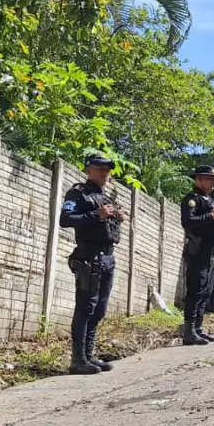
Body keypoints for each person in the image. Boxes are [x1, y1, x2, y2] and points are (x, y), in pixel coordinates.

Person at [60, 154, 126, 374]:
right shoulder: (78, 193)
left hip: (107, 257)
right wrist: (95, 215)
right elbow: (65, 219)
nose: (105, 173)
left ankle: (89, 355)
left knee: (99, 309)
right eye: (100, 169)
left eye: (107, 170)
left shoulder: (105, 197)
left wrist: (116, 216)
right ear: (88, 170)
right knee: (86, 308)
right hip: (89, 256)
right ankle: (78, 359)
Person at [179, 165, 214, 346]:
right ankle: (189, 331)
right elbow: (188, 222)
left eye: (213, 178)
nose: (213, 182)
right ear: (198, 179)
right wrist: (211, 217)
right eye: (208, 178)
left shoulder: (211, 201)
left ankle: (198, 328)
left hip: (210, 251)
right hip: (198, 250)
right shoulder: (192, 200)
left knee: (206, 291)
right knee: (196, 290)